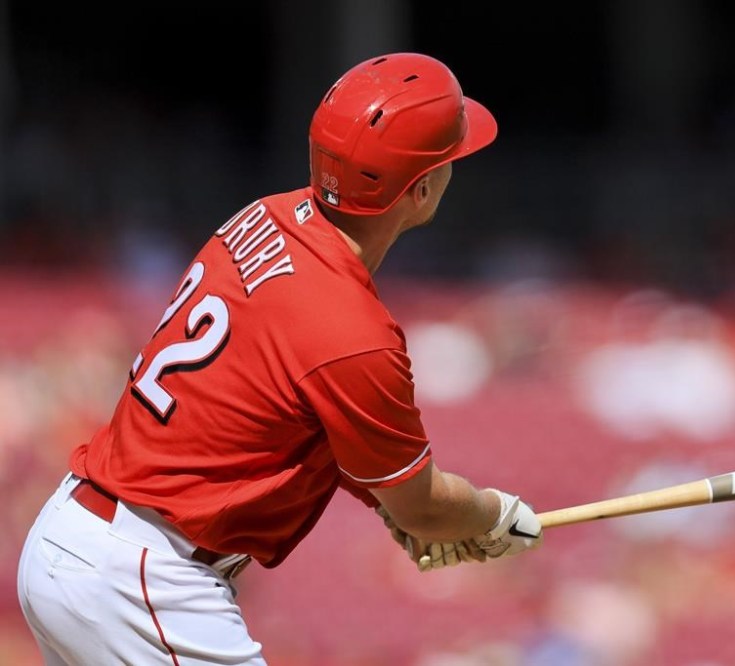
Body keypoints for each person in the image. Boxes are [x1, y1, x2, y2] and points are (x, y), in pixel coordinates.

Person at [17, 52, 543, 665]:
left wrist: (413, 517)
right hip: (144, 577)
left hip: (76, 535)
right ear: (420, 189)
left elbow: (294, 406)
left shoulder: (262, 215)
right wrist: (485, 514)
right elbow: (420, 498)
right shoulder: (354, 330)